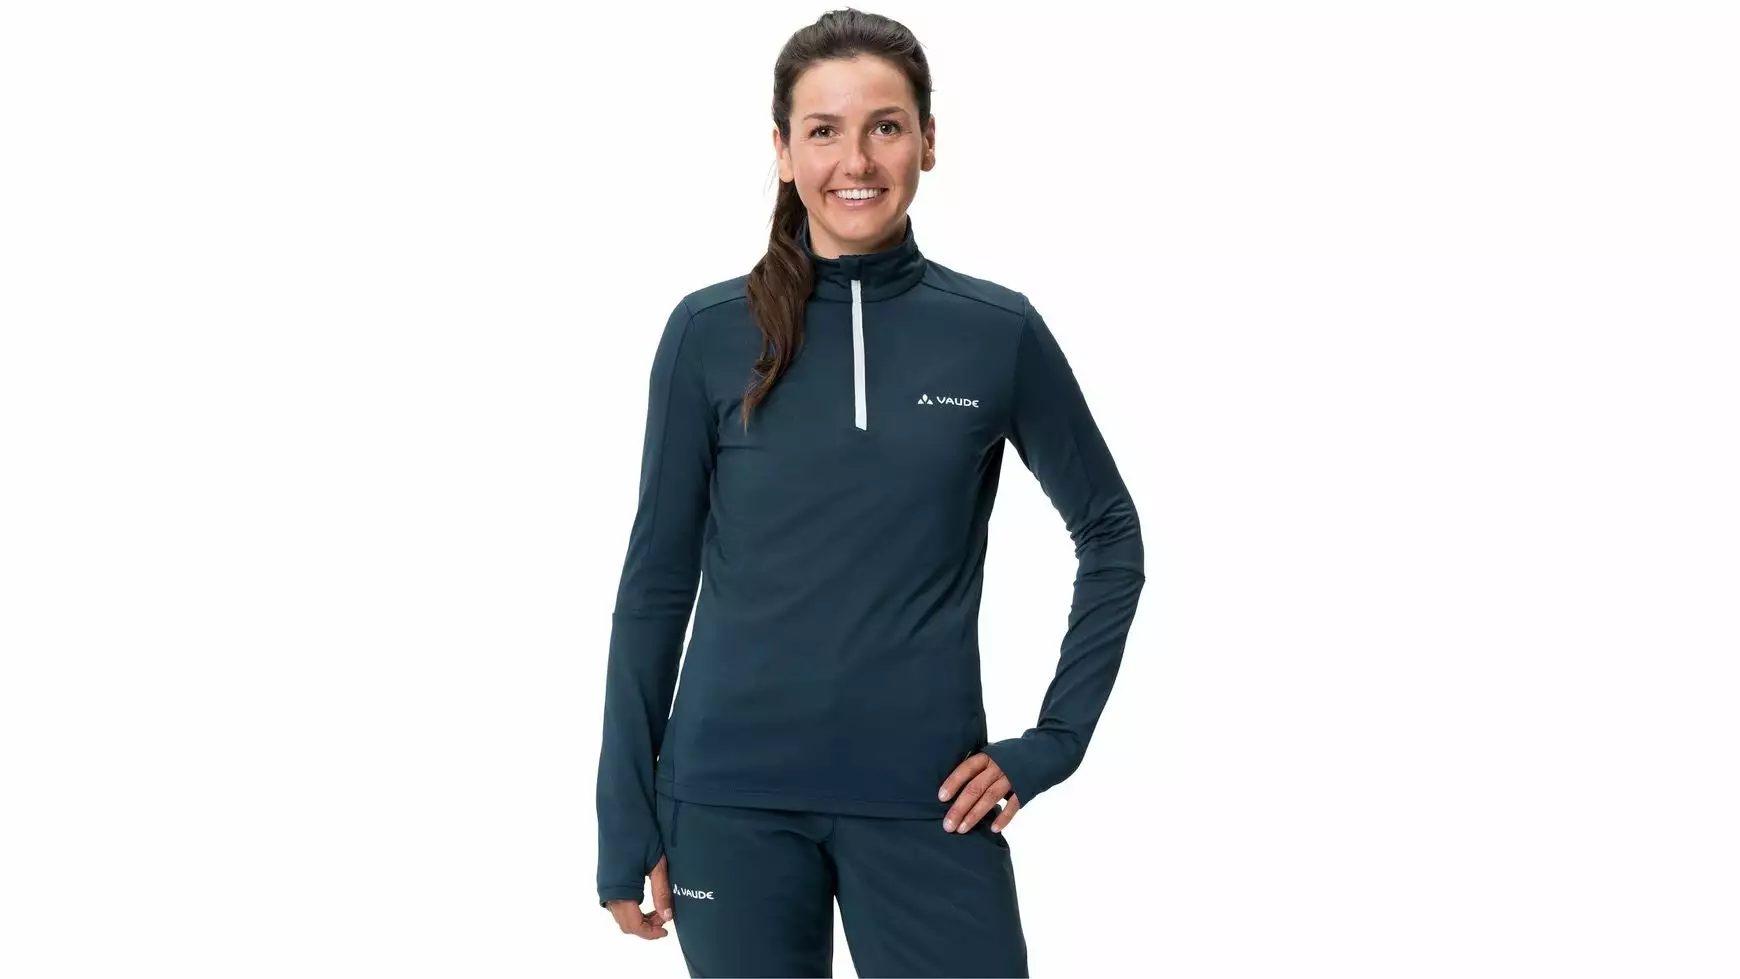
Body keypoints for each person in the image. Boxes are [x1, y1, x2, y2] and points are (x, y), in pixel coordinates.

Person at [596, 9, 1145, 977]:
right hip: (728, 803)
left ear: (929, 140)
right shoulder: (709, 333)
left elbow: (1110, 534)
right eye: (824, 130)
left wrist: (1053, 743)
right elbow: (655, 584)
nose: (855, 160)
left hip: (931, 800)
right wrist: (622, 812)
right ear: (782, 151)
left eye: (885, 126)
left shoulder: (995, 332)